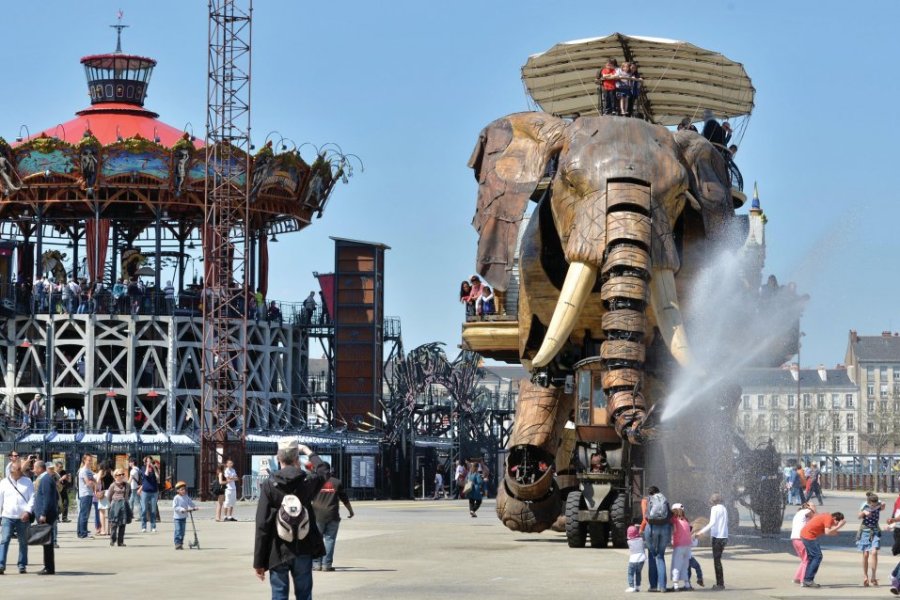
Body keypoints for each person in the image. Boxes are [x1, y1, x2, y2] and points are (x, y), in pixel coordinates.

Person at [254, 439, 328, 600]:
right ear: (297, 459)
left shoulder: (269, 485)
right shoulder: (308, 480)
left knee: (279, 594)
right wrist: (308, 451)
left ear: (278, 458)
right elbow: (324, 470)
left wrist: (258, 561)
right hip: (303, 546)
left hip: (277, 548)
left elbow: (262, 524)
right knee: (304, 595)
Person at [311, 462, 354, 571]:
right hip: (333, 515)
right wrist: (350, 511)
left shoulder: (314, 482)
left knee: (317, 539)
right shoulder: (336, 482)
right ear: (329, 470)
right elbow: (344, 499)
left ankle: (316, 564)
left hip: (317, 515)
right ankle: (327, 565)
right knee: (330, 540)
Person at [0, 462, 34, 574]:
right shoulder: (3, 483)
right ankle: (1, 564)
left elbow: (32, 498)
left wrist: (28, 511)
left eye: (21, 469)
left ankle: (22, 564)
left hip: (22, 517)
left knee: (23, 541)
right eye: (18, 469)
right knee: (4, 540)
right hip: (7, 516)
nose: (20, 471)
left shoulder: (27, 482)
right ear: (11, 471)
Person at [800, 510, 846, 587]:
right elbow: (828, 532)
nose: (834, 525)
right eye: (836, 522)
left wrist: (836, 528)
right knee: (818, 556)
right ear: (834, 518)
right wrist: (839, 526)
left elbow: (832, 533)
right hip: (809, 536)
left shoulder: (826, 517)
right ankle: (808, 580)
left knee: (812, 558)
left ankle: (806, 580)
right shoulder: (828, 518)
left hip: (805, 534)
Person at [693, 493, 729, 590]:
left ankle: (720, 584)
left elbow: (711, 523)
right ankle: (720, 583)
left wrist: (699, 532)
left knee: (717, 561)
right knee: (718, 560)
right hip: (724, 537)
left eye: (711, 500)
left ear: (714, 501)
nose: (710, 502)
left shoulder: (714, 509)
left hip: (717, 538)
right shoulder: (724, 508)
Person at [30, 460, 58, 575]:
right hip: (46, 515)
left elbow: (48, 499)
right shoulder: (45, 478)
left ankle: (49, 567)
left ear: (40, 468)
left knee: (47, 542)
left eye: (34, 468)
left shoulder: (45, 480)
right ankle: (48, 566)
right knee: (46, 542)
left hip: (46, 516)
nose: (33, 470)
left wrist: (43, 513)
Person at [643, 485, 672, 593]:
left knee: (652, 555)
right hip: (665, 528)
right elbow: (669, 515)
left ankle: (653, 586)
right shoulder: (664, 499)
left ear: (650, 493)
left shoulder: (650, 499)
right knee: (660, 557)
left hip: (652, 529)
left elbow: (646, 517)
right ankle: (663, 586)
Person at [859, 492, 885, 587]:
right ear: (869, 502)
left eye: (875, 504)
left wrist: (882, 504)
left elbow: (882, 507)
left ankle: (873, 577)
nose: (873, 506)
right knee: (865, 554)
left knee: (874, 552)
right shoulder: (865, 505)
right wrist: (864, 513)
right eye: (872, 504)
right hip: (865, 531)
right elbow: (858, 516)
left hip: (875, 531)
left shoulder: (878, 505)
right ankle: (865, 576)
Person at [790, 502, 816, 584]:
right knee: (807, 559)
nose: (814, 507)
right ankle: (804, 580)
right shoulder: (806, 511)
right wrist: (812, 508)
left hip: (795, 539)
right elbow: (815, 516)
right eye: (813, 505)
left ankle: (797, 578)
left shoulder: (799, 513)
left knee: (804, 560)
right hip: (801, 539)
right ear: (808, 507)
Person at [670, 503, 692, 591]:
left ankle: (675, 586)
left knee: (676, 565)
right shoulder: (686, 520)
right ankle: (687, 584)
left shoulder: (674, 520)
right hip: (688, 546)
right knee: (685, 566)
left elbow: (674, 530)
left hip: (679, 546)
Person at [105, 468, 130, 547]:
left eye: (123, 474)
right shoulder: (112, 485)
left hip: (123, 505)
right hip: (115, 505)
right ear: (115, 476)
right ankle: (112, 539)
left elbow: (127, 495)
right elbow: (109, 496)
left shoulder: (127, 485)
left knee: (123, 524)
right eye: (120, 474)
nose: (122, 476)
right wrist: (112, 505)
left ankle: (120, 542)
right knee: (114, 524)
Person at [172, 481, 199, 550]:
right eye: (181, 490)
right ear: (178, 491)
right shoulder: (176, 498)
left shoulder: (186, 497)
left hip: (184, 517)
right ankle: (177, 543)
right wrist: (181, 509)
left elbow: (190, 503)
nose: (183, 491)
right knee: (178, 530)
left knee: (182, 531)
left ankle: (181, 543)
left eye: (184, 489)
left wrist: (194, 507)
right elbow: (175, 507)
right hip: (177, 518)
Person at [76, 453, 95, 539]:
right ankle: (83, 533)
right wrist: (93, 482)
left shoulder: (89, 470)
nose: (90, 462)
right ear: (84, 460)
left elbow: (94, 481)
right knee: (84, 514)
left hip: (89, 493)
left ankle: (81, 531)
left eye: (91, 460)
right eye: (88, 460)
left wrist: (93, 482)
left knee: (83, 514)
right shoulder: (83, 471)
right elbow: (88, 483)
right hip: (85, 494)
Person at [140, 456, 159, 533]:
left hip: (154, 492)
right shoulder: (143, 468)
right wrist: (147, 466)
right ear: (145, 462)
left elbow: (158, 477)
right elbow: (146, 475)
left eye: (150, 461)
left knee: (153, 510)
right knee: (144, 509)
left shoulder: (155, 469)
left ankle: (153, 526)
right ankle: (144, 526)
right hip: (145, 491)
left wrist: (154, 468)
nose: (149, 462)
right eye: (147, 461)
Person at [625, 522, 645, 593]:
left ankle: (631, 587)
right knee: (638, 573)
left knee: (630, 573)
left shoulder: (629, 541)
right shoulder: (641, 540)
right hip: (642, 559)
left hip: (633, 560)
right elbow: (641, 535)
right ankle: (638, 586)